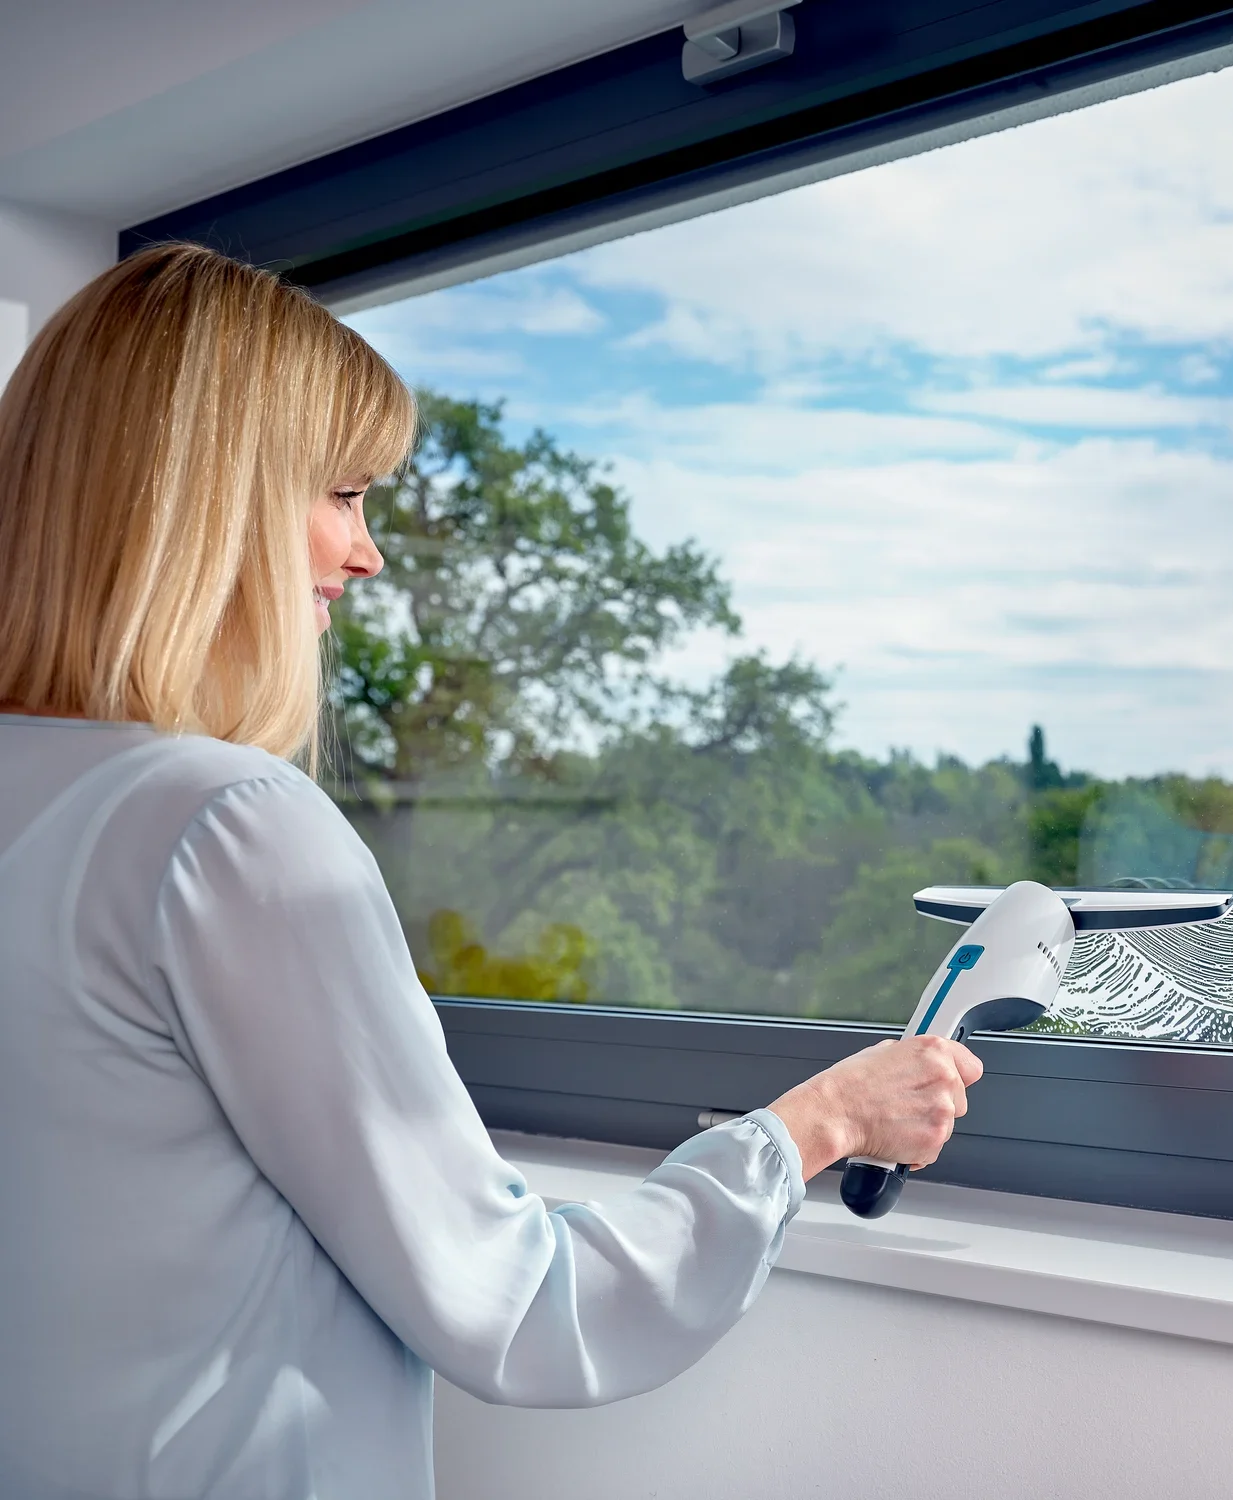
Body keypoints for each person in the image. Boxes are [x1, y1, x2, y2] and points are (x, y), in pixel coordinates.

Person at [0, 243, 985, 1500]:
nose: (366, 557)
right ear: (207, 502)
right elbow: (522, 1305)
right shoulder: (226, 826)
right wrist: (822, 1121)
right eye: (345, 494)